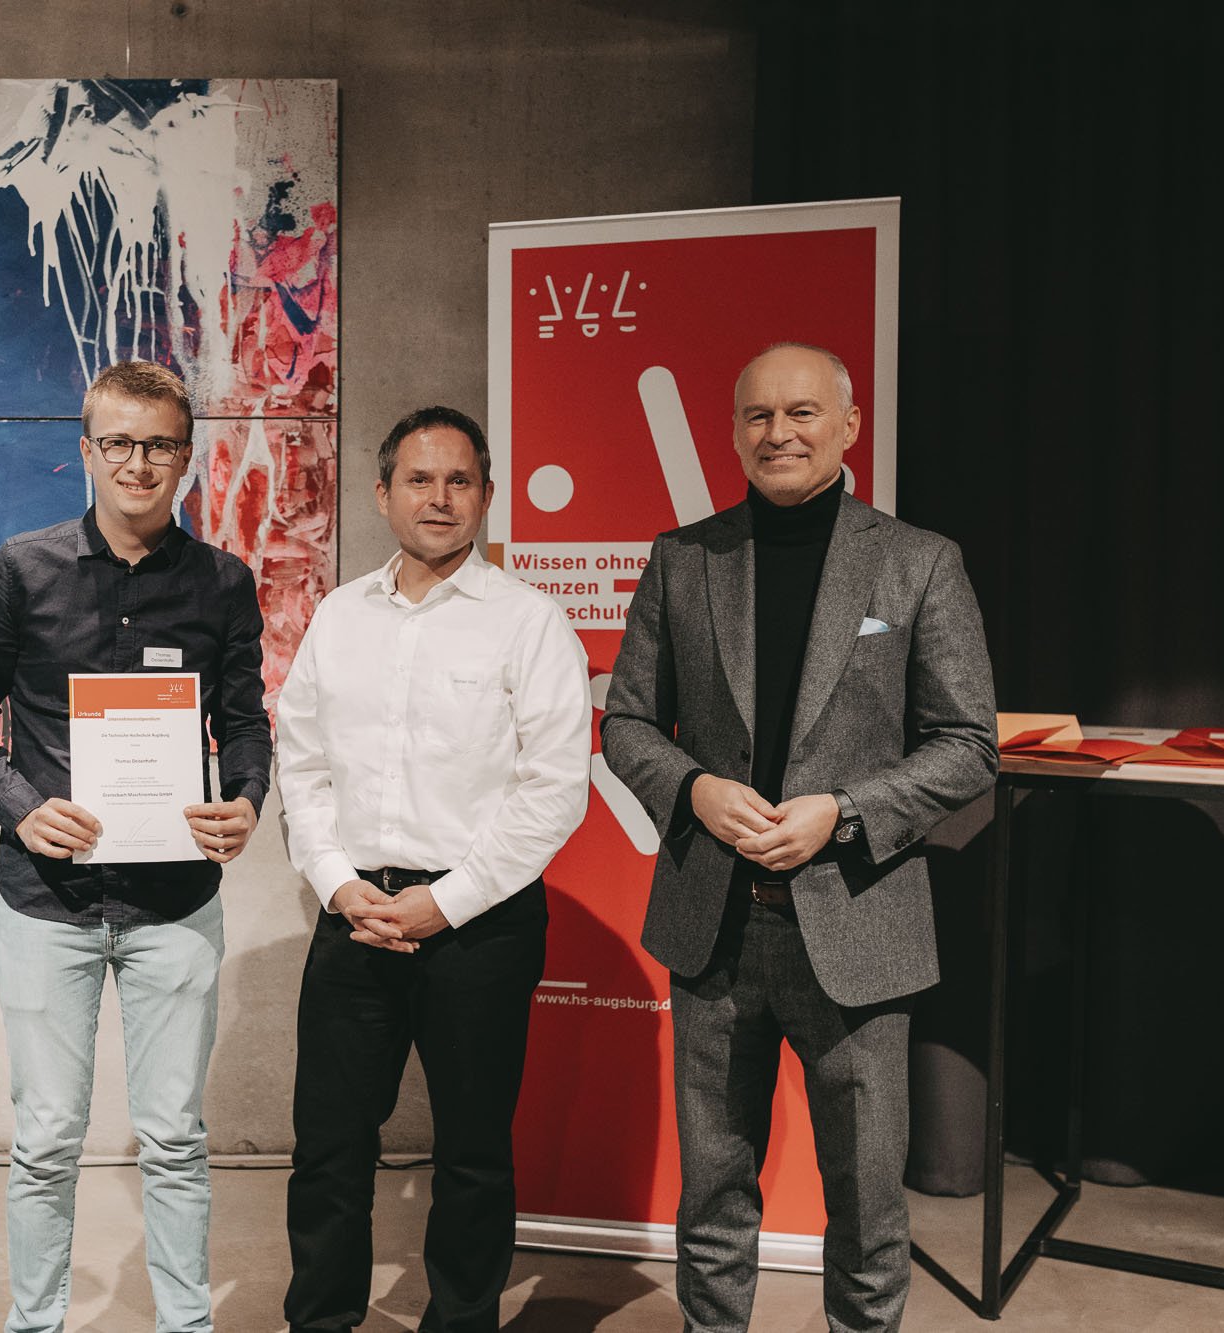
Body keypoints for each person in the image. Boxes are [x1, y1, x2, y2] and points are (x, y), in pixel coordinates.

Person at [600, 343, 998, 1332]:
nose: (778, 433)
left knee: (865, 1204)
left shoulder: (917, 561)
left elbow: (968, 746)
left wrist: (845, 810)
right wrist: (692, 789)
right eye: (758, 415)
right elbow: (627, 723)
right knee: (712, 1194)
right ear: (735, 430)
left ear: (848, 426)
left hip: (858, 929)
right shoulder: (683, 558)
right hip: (713, 929)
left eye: (802, 412)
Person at [0, 360, 270, 1333]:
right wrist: (20, 807)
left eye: (158, 444)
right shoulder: (22, 569)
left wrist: (245, 799)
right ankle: (34, 1322)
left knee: (174, 1137)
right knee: (45, 1139)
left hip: (175, 905)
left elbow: (245, 721)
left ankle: (184, 1325)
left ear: (185, 455)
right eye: (117, 442)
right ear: (86, 450)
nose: (137, 462)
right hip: (48, 901)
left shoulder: (222, 583)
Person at [275, 406, 591, 1333]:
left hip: (480, 923)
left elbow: (554, 789)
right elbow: (302, 763)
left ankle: (460, 1321)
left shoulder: (530, 622)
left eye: (460, 481)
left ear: (487, 496)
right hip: (354, 914)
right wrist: (337, 883)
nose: (439, 498)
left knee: (473, 1153)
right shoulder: (339, 616)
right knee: (329, 1145)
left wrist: (442, 904)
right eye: (419, 479)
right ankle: (321, 1319)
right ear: (383, 494)